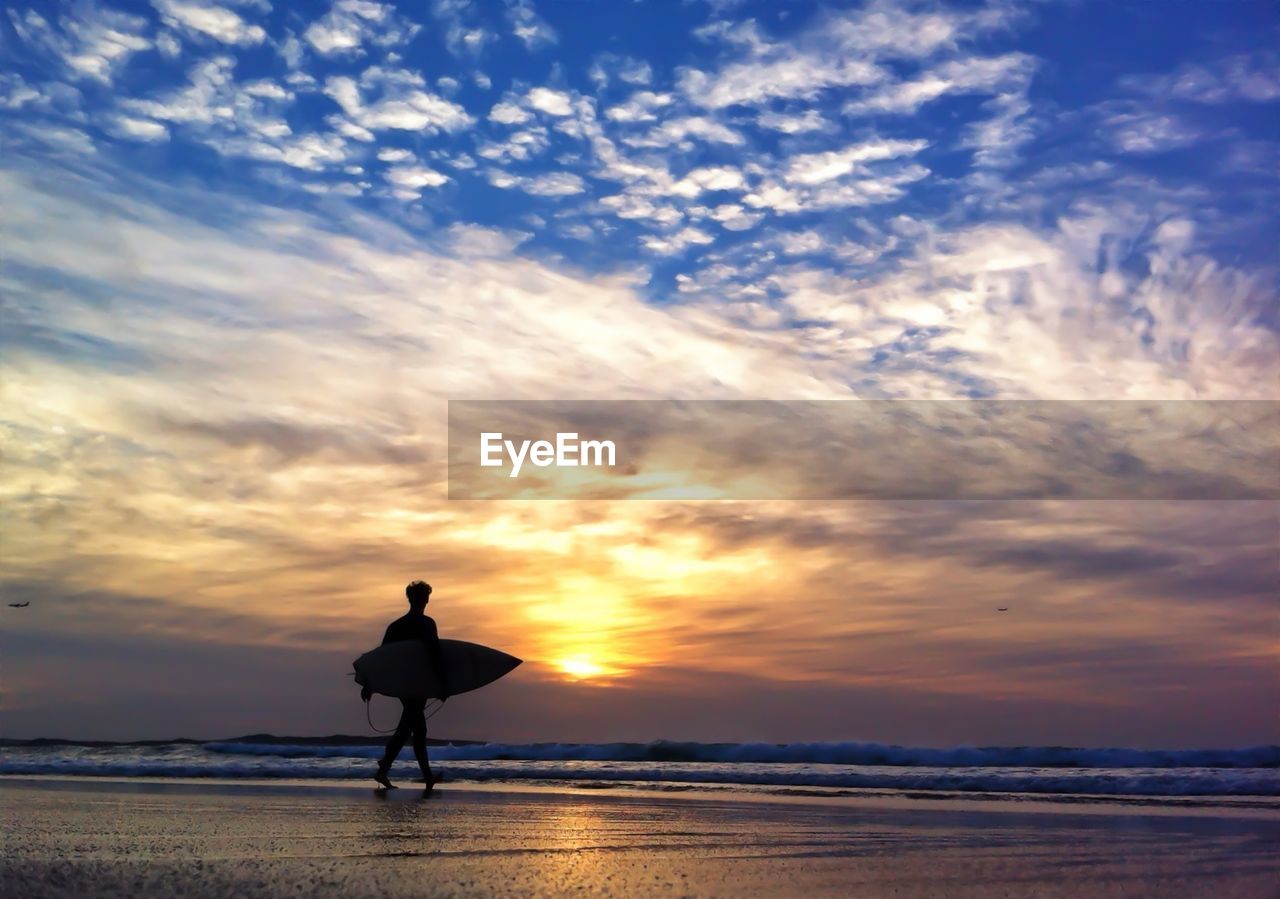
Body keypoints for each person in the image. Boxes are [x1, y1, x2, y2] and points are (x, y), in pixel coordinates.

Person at [364, 580, 451, 790]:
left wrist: (369, 683)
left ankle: (388, 768)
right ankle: (404, 772)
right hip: (419, 683)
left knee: (412, 727)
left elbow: (382, 657)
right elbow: (435, 655)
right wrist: (443, 684)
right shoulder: (427, 624)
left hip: (404, 683)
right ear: (425, 599)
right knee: (415, 728)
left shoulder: (396, 626)